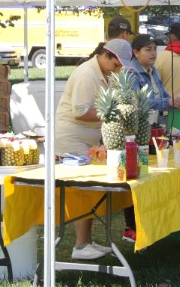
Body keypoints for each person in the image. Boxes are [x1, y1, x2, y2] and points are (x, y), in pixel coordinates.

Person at [53, 38, 129, 259]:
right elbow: (81, 112)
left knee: (89, 191)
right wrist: (114, 115)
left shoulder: (106, 72)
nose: (118, 69)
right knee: (81, 192)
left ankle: (86, 242)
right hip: (71, 138)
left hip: (90, 140)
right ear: (105, 55)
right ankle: (80, 245)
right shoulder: (87, 74)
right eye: (116, 64)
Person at [121, 34, 180, 242]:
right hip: (137, 132)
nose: (153, 53)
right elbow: (140, 102)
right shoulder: (131, 73)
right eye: (148, 49)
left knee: (152, 175)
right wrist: (168, 103)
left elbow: (161, 94)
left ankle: (152, 222)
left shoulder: (153, 70)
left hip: (155, 129)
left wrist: (172, 99)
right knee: (137, 176)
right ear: (136, 52)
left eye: (155, 49)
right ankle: (132, 227)